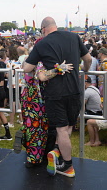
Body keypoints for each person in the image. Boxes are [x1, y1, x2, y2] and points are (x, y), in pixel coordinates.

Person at [23, 16, 92, 177]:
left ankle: (67, 166)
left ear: (44, 29)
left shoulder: (42, 43)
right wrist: (85, 70)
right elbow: (88, 59)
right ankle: (56, 150)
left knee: (61, 129)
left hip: (55, 94)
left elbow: (27, 68)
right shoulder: (74, 36)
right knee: (68, 127)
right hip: (75, 90)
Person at [14, 58, 73, 168]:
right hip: (37, 99)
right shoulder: (40, 62)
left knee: (31, 126)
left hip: (28, 96)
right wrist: (59, 69)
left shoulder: (28, 61)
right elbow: (42, 76)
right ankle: (35, 158)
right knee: (38, 128)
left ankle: (28, 146)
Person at [84, 76, 103, 146]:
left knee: (88, 121)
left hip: (93, 112)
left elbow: (82, 105)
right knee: (93, 123)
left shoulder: (87, 92)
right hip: (99, 112)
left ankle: (91, 141)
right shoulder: (95, 89)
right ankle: (97, 140)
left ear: (85, 83)